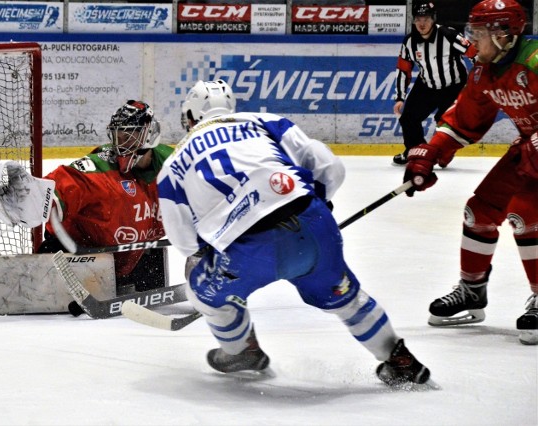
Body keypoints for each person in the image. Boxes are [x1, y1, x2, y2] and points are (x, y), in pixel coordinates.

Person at [157, 79, 431, 385]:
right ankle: (400, 360)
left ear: (191, 117)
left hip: (244, 253)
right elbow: (329, 166)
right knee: (346, 296)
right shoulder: (264, 121)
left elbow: (183, 240)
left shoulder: (172, 165)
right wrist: (318, 206)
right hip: (312, 226)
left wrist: (207, 254)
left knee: (199, 289)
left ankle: (241, 350)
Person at [402, 0, 537, 345]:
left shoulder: (534, 61)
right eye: (472, 32)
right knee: (479, 212)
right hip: (530, 151)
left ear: (506, 35)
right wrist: (430, 154)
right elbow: (465, 120)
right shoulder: (484, 70)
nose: (473, 42)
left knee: (524, 213)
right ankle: (472, 290)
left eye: (480, 34)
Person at [0, 100, 173, 300]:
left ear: (150, 134)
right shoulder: (99, 169)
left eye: (129, 135)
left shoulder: (174, 165)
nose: (121, 142)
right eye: (118, 134)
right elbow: (66, 182)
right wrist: (32, 197)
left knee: (155, 252)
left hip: (133, 258)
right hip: (73, 258)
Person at [392, 1, 476, 165]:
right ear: (414, 21)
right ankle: (415, 151)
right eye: (418, 19)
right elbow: (403, 69)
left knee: (445, 123)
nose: (422, 23)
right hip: (427, 85)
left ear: (433, 19)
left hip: (454, 86)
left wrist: (480, 82)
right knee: (408, 118)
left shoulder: (448, 35)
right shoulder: (409, 42)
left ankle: (443, 154)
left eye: (426, 19)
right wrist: (400, 97)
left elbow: (474, 54)